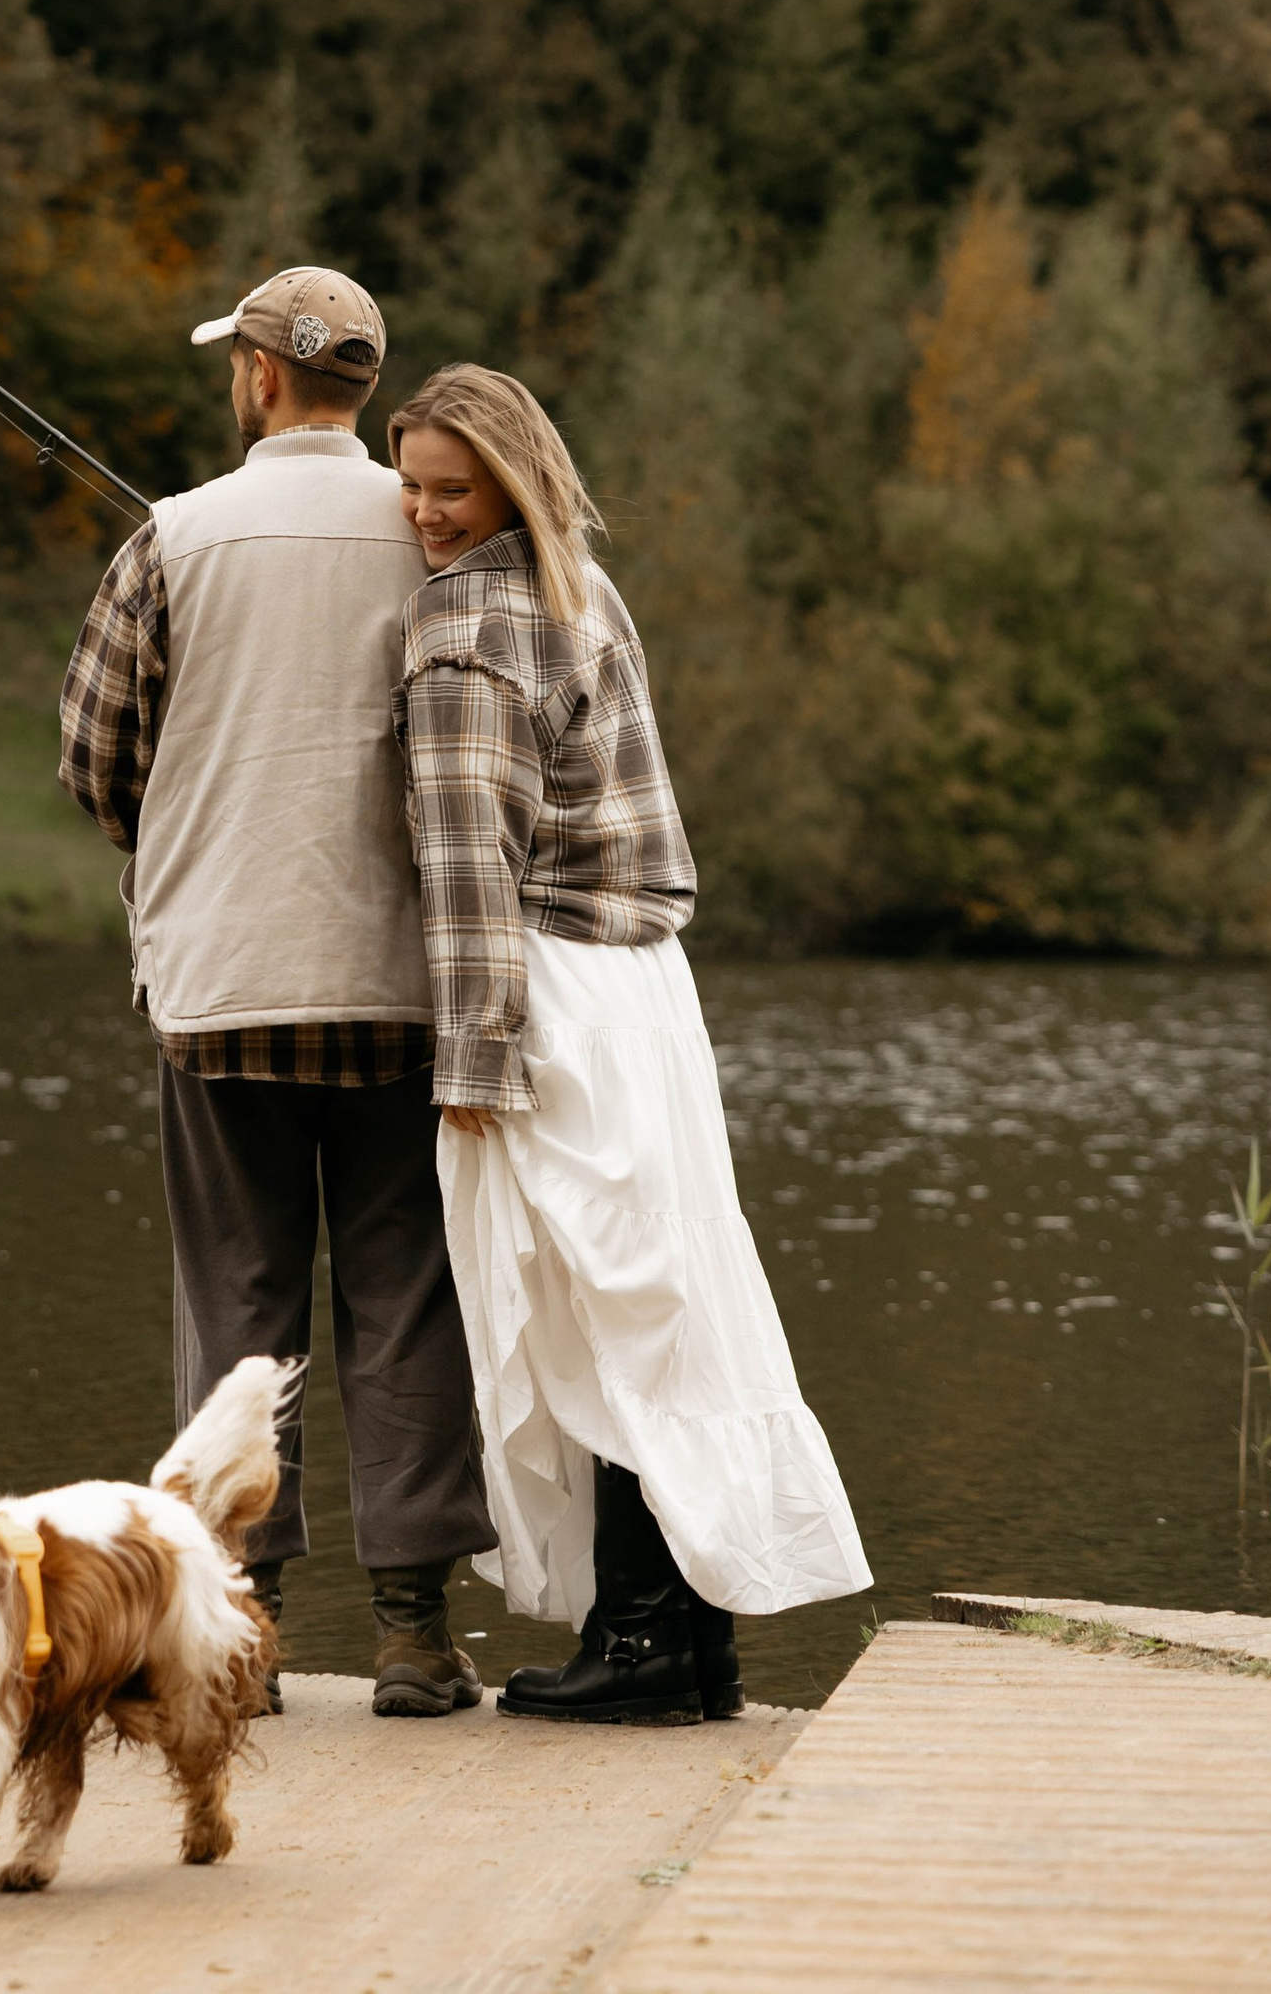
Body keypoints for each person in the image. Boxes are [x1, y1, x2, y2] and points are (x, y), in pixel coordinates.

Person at [387, 362, 870, 1722]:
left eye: (451, 488)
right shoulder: (582, 592)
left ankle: (649, 1645)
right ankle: (690, 1641)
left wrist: (473, 1062)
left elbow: (469, 866)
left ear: (510, 483)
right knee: (666, 1300)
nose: (423, 512)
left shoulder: (462, 636)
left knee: (587, 1310)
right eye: (411, 486)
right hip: (648, 987)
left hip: (548, 990)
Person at [59, 268, 492, 1719]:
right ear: (363, 386)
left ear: (256, 377)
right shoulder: (436, 529)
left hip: (224, 993)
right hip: (403, 989)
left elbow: (95, 765)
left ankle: (238, 1633)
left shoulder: (169, 536)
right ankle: (417, 1634)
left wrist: (192, 834)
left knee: (236, 1305)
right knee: (405, 1299)